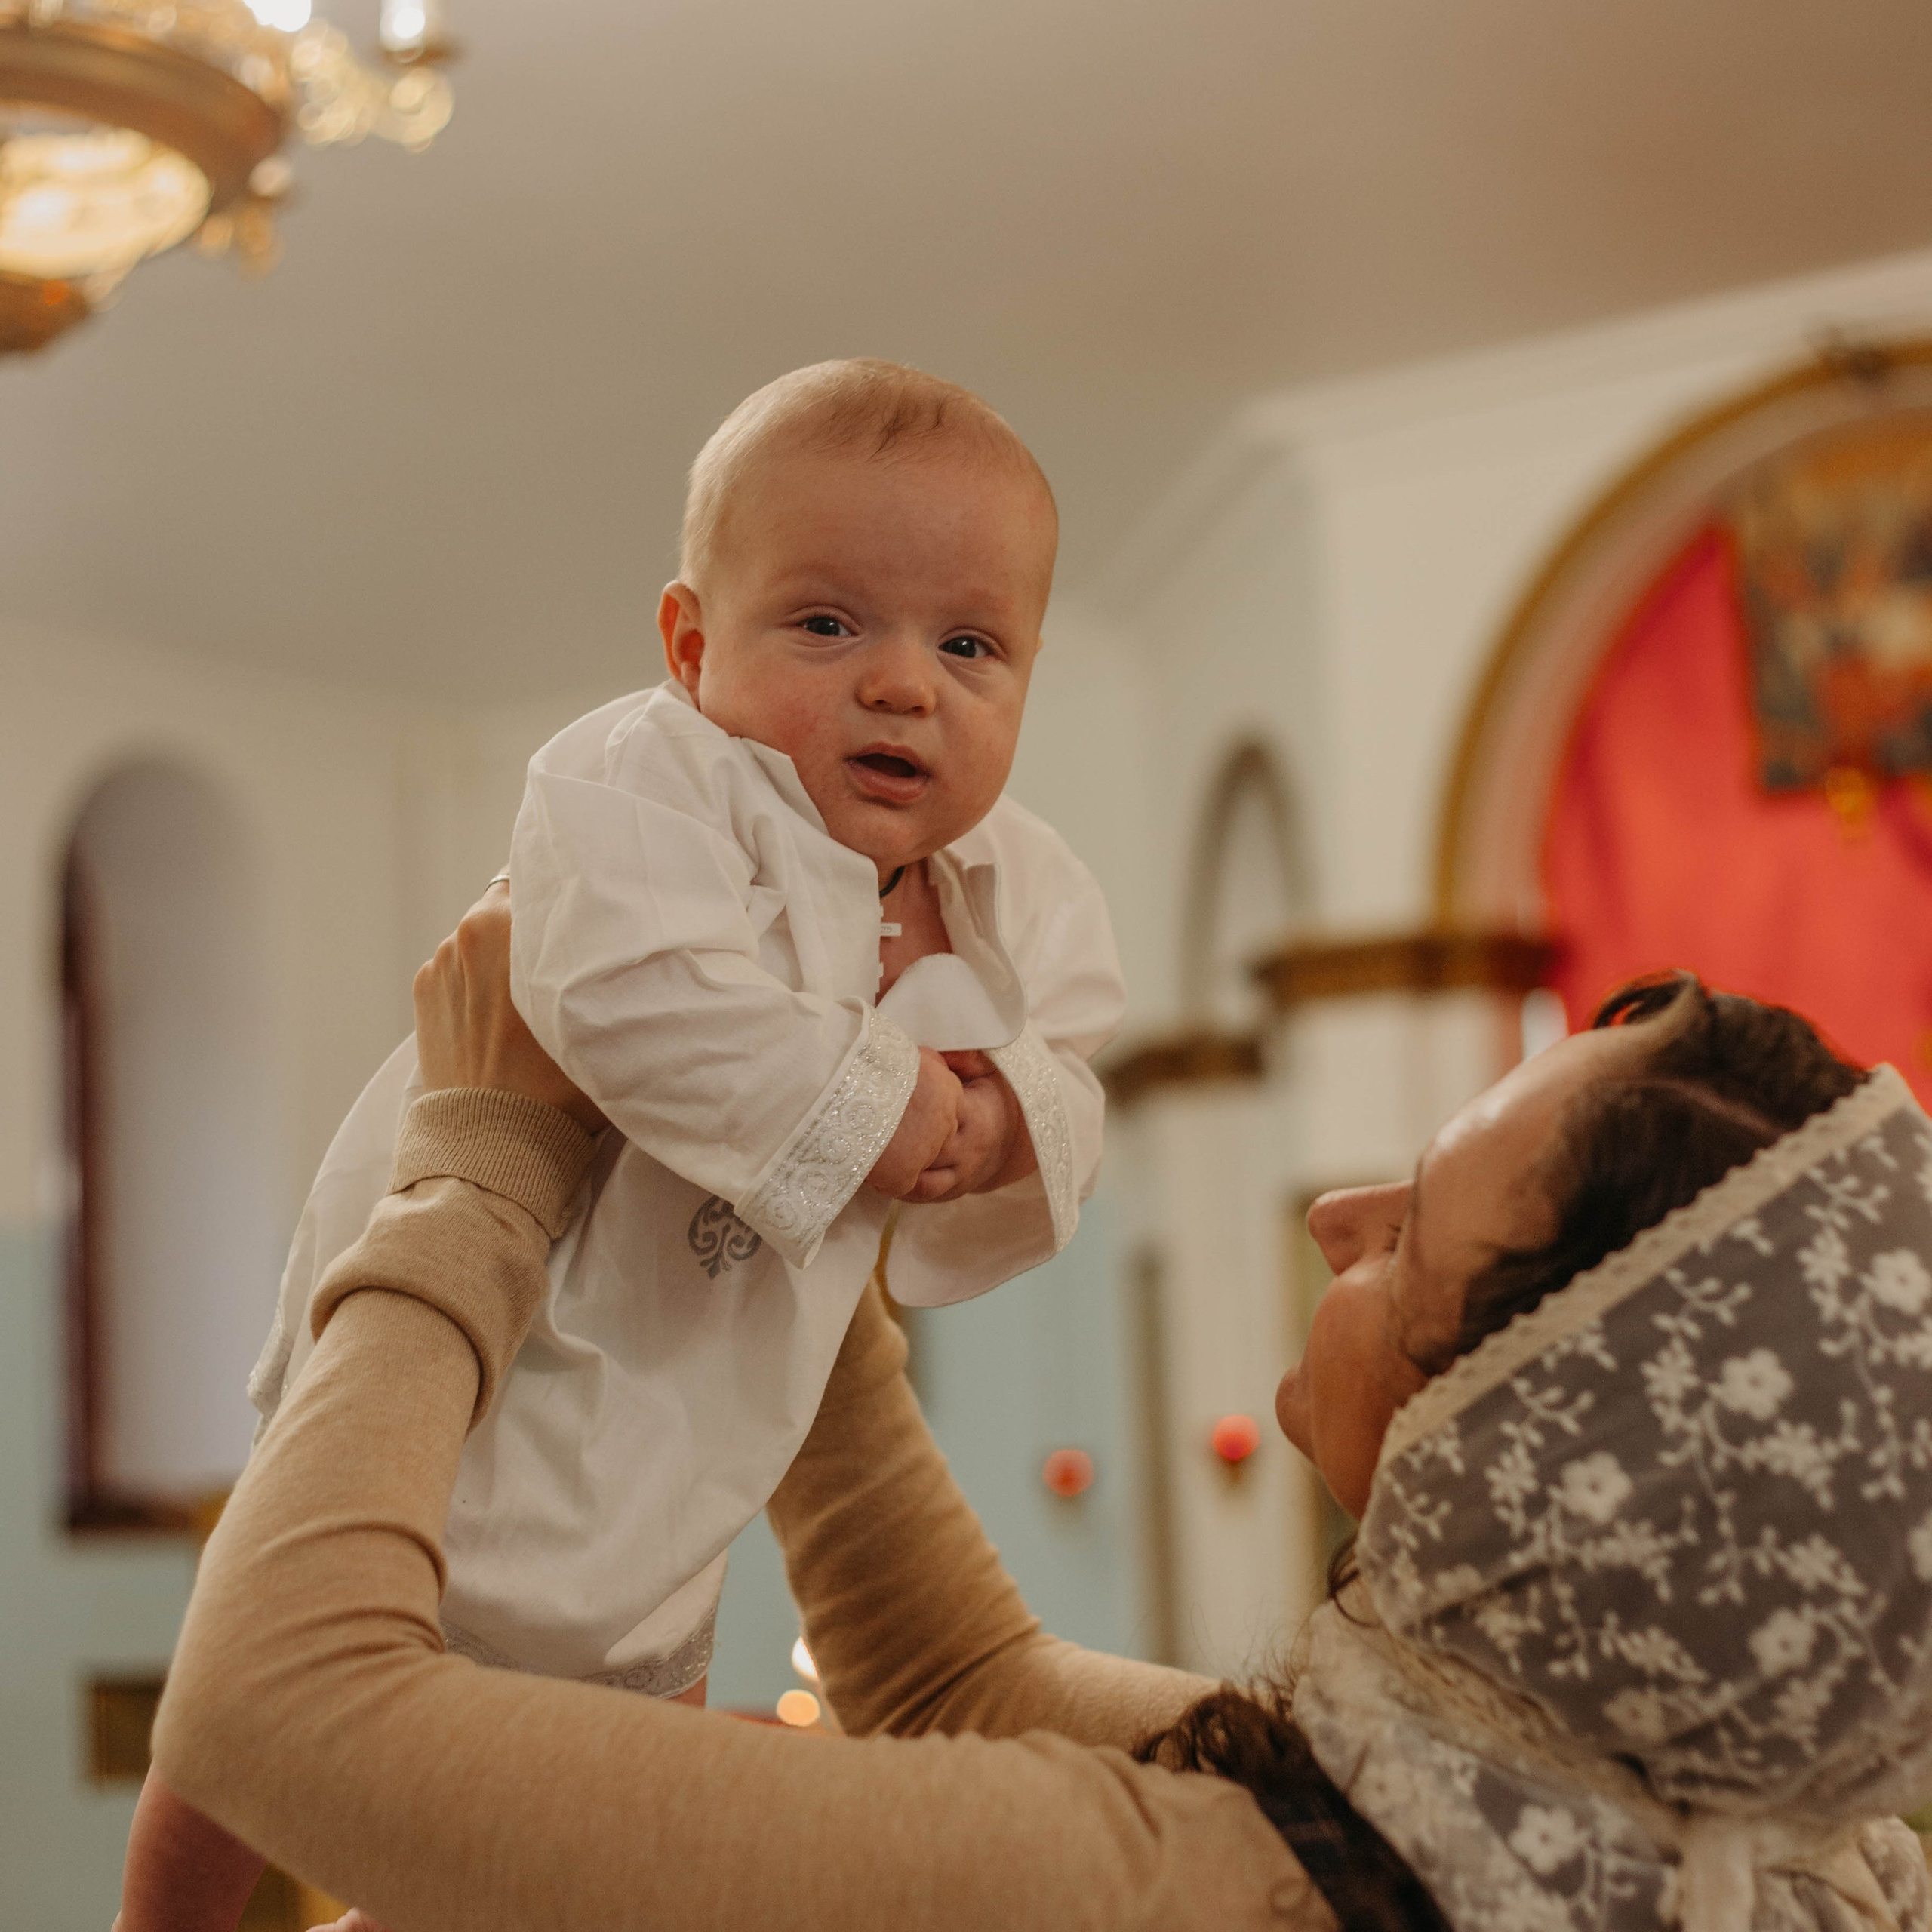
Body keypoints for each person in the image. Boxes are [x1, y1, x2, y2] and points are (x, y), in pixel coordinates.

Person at [137, 889, 1932, 1931]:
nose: (1330, 1220)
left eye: (1412, 1235)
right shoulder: (1566, 1824)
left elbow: (275, 1707)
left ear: (1546, 1455)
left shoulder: (1202, 1894)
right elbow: (947, 1688)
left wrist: (477, 1166)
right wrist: (790, 1182)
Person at [120, 360, 1123, 1927]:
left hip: (705, 1356)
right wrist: (895, 1105)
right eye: (827, 622)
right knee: (279, 1666)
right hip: (514, 1307)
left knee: (619, 1721)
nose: (903, 682)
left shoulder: (1014, 879)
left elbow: (1076, 1051)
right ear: (686, 644)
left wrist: (1004, 1118)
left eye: (970, 642)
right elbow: (627, 999)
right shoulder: (641, 781)